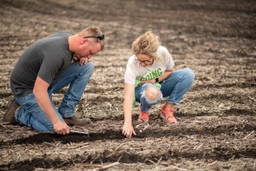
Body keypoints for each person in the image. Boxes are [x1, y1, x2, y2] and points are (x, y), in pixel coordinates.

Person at [2, 26, 105, 135]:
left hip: (45, 81)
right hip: (27, 90)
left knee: (87, 67)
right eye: (90, 52)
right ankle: (18, 113)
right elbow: (39, 91)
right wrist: (56, 121)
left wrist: (79, 56)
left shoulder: (69, 38)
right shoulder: (56, 54)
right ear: (83, 41)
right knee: (57, 130)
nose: (89, 57)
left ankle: (66, 114)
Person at [122, 31, 194, 138]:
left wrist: (154, 80)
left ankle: (167, 110)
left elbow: (169, 71)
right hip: (141, 90)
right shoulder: (133, 63)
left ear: (154, 56)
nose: (142, 64)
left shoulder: (163, 53)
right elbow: (128, 96)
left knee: (188, 74)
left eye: (145, 61)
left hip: (159, 84)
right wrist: (128, 123)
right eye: (139, 60)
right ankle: (144, 112)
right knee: (151, 92)